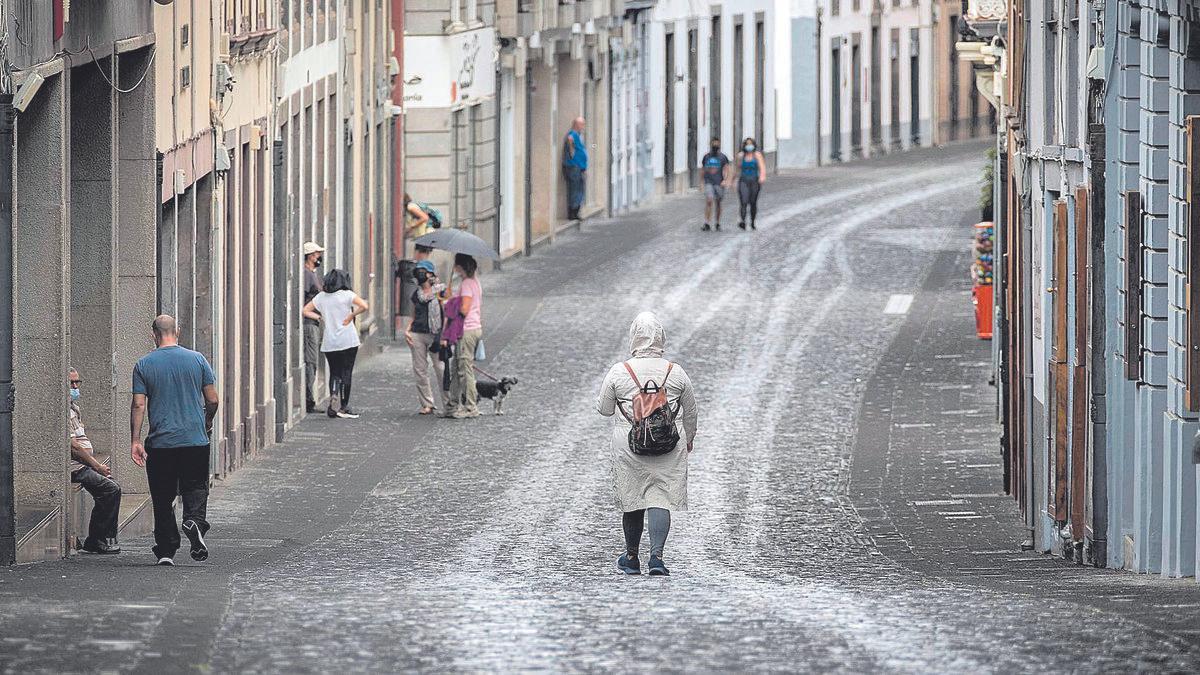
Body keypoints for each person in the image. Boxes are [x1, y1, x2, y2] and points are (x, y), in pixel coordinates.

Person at [596, 312, 697, 576]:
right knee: (659, 497)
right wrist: (690, 438)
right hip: (668, 445)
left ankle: (631, 557)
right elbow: (691, 411)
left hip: (628, 446)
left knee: (633, 498)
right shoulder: (676, 373)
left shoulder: (619, 371)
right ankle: (657, 558)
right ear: (661, 338)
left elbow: (605, 409)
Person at [130, 315, 219, 566]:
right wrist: (207, 421)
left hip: (161, 443)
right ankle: (194, 522)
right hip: (195, 440)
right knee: (196, 488)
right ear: (177, 331)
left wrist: (135, 440)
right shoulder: (197, 359)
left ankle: (166, 549)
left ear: (153, 334)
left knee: (162, 496)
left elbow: (138, 404)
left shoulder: (144, 364)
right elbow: (213, 399)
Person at [68, 368, 122, 554]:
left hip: (83, 464)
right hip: (76, 467)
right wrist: (96, 465)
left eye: (77, 382)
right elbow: (73, 447)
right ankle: (98, 539)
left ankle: (101, 537)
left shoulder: (74, 408)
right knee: (110, 489)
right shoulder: (63, 411)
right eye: (71, 383)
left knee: (112, 486)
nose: (75, 387)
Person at [304, 268, 368, 419]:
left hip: (330, 342)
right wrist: (351, 315)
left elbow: (305, 310)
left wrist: (320, 318)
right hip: (348, 340)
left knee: (334, 372)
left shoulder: (321, 297)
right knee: (346, 372)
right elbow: (364, 306)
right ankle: (344, 406)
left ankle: (333, 395)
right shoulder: (347, 295)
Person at [405, 261, 449, 415]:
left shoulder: (441, 292)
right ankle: (427, 403)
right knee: (420, 370)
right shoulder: (416, 294)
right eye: (418, 271)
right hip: (418, 333)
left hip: (436, 334)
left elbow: (447, 315)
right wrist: (408, 329)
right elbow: (414, 313)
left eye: (423, 271)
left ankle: (448, 402)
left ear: (431, 274)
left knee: (441, 370)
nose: (420, 274)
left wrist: (443, 335)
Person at [446, 253, 483, 419]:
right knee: (456, 367)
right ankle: (452, 406)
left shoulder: (467, 284)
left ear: (460, 267)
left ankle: (470, 406)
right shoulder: (474, 282)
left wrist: (452, 303)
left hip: (467, 329)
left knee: (464, 369)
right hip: (472, 328)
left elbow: (464, 309)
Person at [302, 241, 325, 413]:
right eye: (317, 254)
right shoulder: (307, 275)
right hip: (309, 324)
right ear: (311, 256)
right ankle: (309, 399)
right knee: (311, 361)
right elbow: (303, 303)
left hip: (314, 323)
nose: (319, 257)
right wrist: (317, 315)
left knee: (313, 361)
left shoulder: (311, 273)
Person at [735, 136, 767, 230]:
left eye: (750, 144)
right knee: (743, 201)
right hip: (743, 180)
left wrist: (762, 177)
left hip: (754, 180)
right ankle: (743, 221)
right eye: (747, 144)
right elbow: (737, 169)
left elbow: (762, 167)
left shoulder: (757, 155)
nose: (749, 146)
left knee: (753, 202)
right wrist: (734, 180)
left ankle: (752, 222)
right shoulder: (741, 156)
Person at [700, 137, 732, 231]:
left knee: (718, 202)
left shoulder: (723, 157)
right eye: (713, 143)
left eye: (717, 144)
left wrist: (725, 180)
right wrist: (701, 182)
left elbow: (727, 169)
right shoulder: (706, 157)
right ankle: (707, 222)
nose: (715, 145)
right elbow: (703, 169)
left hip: (719, 183)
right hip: (709, 182)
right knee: (709, 200)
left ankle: (717, 223)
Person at [562, 116, 588, 221]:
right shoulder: (573, 134)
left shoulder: (578, 135)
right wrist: (572, 151)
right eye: (582, 124)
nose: (583, 126)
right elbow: (570, 139)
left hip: (578, 166)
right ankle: (573, 212)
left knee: (579, 188)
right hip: (573, 167)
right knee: (575, 189)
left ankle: (575, 211)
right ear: (576, 125)